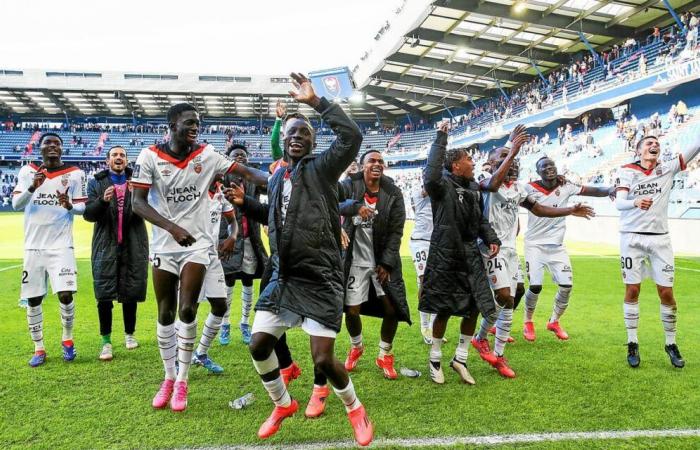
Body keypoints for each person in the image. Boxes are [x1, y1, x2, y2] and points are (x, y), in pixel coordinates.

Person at [226, 73, 372, 446]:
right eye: (290, 132)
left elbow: (352, 137)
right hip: (284, 275)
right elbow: (277, 220)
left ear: (312, 141)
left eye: (303, 132)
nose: (295, 136)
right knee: (259, 344)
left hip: (320, 277)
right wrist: (249, 207)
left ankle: (354, 407)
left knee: (323, 361)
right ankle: (283, 404)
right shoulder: (277, 179)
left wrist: (316, 103)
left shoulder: (323, 169)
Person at [131, 103, 267, 412]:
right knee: (165, 313)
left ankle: (182, 379)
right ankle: (167, 377)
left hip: (197, 246)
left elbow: (245, 172)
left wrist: (283, 175)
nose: (196, 126)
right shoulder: (149, 156)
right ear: (172, 124)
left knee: (187, 309)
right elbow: (137, 203)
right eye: (190, 122)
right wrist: (172, 228)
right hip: (165, 245)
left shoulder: (207, 154)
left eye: (199, 122)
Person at [472, 126, 595, 378]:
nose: (512, 162)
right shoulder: (484, 182)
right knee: (505, 297)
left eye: (514, 158)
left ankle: (491, 347)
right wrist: (513, 149)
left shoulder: (518, 189)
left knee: (515, 294)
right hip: (490, 249)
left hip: (510, 251)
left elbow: (539, 209)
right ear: (490, 163)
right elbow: (494, 184)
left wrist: (570, 210)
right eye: (504, 157)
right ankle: (488, 345)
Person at [419, 122, 500, 386]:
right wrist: (441, 136)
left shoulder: (474, 188)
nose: (472, 162)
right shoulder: (441, 185)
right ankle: (435, 359)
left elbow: (480, 221)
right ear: (455, 165)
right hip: (445, 253)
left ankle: (460, 359)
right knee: (443, 308)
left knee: (474, 307)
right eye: (468, 159)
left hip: (469, 253)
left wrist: (490, 238)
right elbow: (430, 175)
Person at [614, 135, 700, 369]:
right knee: (632, 289)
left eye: (657, 144)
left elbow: (695, 144)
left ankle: (670, 344)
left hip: (660, 240)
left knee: (666, 293)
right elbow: (619, 202)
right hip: (631, 237)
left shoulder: (667, 169)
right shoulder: (626, 171)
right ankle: (632, 342)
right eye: (649, 143)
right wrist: (635, 202)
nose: (654, 145)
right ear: (638, 149)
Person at [12, 133, 87, 367]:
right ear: (40, 148)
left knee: (66, 295)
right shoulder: (27, 172)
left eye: (57, 143)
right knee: (33, 299)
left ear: (62, 149)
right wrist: (33, 187)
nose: (52, 146)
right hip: (34, 247)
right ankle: (39, 347)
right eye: (48, 143)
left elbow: (82, 208)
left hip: (61, 246)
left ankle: (67, 339)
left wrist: (69, 205)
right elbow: (16, 204)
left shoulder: (75, 173)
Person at [522, 156, 615, 342]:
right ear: (537, 172)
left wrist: (611, 190)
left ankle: (554, 321)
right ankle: (528, 321)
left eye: (552, 164)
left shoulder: (566, 185)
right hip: (534, 245)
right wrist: (571, 210)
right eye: (544, 166)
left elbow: (593, 190)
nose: (549, 168)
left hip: (556, 246)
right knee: (535, 286)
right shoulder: (528, 188)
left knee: (566, 286)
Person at [339, 149, 410, 380]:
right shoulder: (350, 184)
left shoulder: (393, 192)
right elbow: (331, 205)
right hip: (355, 261)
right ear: (362, 166)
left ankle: (384, 354)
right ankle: (356, 346)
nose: (377, 164)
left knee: (392, 309)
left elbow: (396, 231)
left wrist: (387, 262)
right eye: (372, 161)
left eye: (381, 161)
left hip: (382, 261)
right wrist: (341, 223)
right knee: (351, 309)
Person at [83, 146, 148, 361]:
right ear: (107, 159)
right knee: (104, 294)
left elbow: (150, 208)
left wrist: (136, 198)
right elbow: (89, 215)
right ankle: (106, 342)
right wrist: (102, 201)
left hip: (133, 243)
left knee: (130, 292)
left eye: (122, 155)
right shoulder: (96, 182)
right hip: (105, 244)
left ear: (127, 161)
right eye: (114, 155)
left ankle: (130, 335)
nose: (118, 158)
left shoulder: (138, 181)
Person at [220, 143, 268, 345]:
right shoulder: (221, 178)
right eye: (235, 155)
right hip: (230, 238)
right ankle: (225, 324)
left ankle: (245, 323)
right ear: (229, 159)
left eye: (243, 155)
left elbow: (270, 185)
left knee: (248, 281)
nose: (239, 157)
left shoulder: (253, 179)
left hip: (250, 239)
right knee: (228, 283)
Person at [191, 176, 238, 373]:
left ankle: (201, 353)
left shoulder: (221, 194)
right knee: (189, 307)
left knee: (220, 305)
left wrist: (232, 237)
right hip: (190, 256)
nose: (220, 173)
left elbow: (232, 221)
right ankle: (179, 359)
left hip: (212, 256)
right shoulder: (191, 190)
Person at [409, 182, 435, 344]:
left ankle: (432, 326)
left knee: (438, 284)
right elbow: (427, 190)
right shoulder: (418, 190)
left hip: (437, 241)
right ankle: (425, 326)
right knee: (424, 281)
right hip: (420, 241)